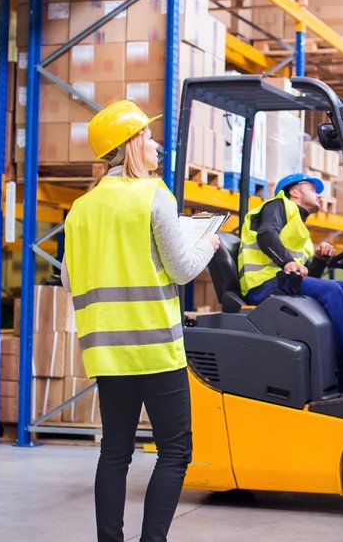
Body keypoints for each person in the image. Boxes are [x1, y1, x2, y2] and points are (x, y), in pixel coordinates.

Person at [62, 100, 220, 542]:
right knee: (174, 451)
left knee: (115, 451)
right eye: (147, 137)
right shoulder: (154, 195)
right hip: (154, 349)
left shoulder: (80, 209)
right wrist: (209, 243)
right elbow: (183, 268)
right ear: (130, 144)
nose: (154, 145)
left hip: (107, 353)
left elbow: (67, 276)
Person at [238, 173, 343, 393]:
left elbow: (308, 276)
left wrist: (320, 259)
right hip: (264, 285)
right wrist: (287, 262)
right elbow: (266, 234)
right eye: (313, 189)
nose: (319, 195)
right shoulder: (277, 206)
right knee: (332, 289)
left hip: (284, 282)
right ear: (294, 191)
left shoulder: (299, 227)